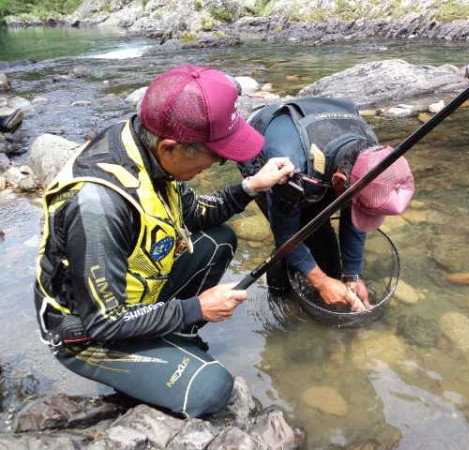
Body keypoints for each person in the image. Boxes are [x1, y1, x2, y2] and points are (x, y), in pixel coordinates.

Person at [33, 65, 294, 418]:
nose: (219, 163)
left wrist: (252, 186)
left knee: (219, 240)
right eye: (216, 156)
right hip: (87, 331)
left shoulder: (148, 147)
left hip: (130, 296)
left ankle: (170, 343)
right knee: (213, 389)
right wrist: (196, 309)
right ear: (172, 148)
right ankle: (154, 363)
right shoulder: (98, 206)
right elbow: (104, 322)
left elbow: (198, 214)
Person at [240, 97, 414, 312]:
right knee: (301, 227)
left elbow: (354, 214)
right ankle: (280, 294)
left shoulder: (374, 152)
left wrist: (352, 275)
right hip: (263, 139)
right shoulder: (288, 166)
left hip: (321, 144)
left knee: (328, 255)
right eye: (356, 202)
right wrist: (321, 282)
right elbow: (285, 234)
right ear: (339, 180)